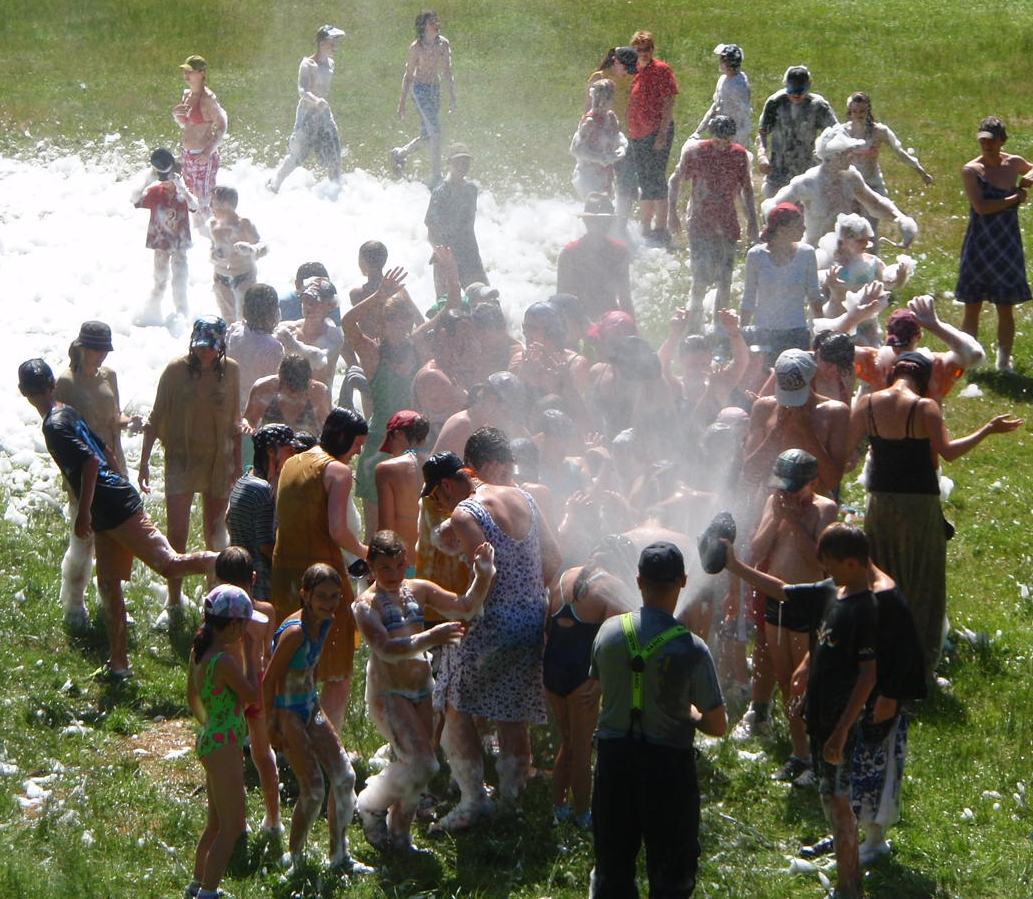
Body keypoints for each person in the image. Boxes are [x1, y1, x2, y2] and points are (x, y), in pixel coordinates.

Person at [18, 359, 216, 678]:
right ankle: (119, 663)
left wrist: (84, 513)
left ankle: (228, 564)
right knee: (109, 585)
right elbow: (105, 451)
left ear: (23, 391)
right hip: (108, 506)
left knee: (168, 564)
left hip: (113, 506)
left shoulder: (54, 426)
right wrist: (118, 483)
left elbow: (90, 464)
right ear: (53, 384)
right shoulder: (67, 411)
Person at [722, 524, 877, 899]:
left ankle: (849, 888)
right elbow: (783, 591)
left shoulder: (865, 611)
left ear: (852, 563)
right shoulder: (830, 591)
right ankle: (847, 878)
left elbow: (868, 676)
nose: (824, 569)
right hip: (821, 718)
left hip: (841, 722)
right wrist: (736, 566)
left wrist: (842, 731)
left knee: (839, 803)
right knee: (831, 799)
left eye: (830, 563)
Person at [847, 352, 1023, 683]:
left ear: (893, 373)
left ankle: (879, 664)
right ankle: (919, 671)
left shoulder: (867, 404)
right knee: (923, 583)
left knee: (882, 579)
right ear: (925, 379)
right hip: (919, 505)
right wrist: (987, 429)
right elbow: (949, 452)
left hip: (880, 504)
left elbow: (847, 452)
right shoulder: (925, 408)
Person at [434, 427, 562, 829]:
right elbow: (554, 557)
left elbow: (485, 575)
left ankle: (473, 799)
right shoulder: (527, 500)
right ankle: (512, 801)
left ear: (473, 467)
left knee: (456, 704)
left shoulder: (467, 512)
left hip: (491, 620)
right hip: (531, 616)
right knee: (513, 712)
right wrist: (530, 596)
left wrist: (465, 611)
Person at [588, 542, 726, 898]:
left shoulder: (608, 632)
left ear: (638, 581)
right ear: (683, 581)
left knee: (612, 868)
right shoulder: (692, 648)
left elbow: (600, 685)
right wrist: (690, 713)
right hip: (668, 768)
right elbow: (717, 725)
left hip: (614, 762)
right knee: (672, 874)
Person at [352, 530, 495, 852]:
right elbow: (386, 648)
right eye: (384, 568)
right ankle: (370, 804)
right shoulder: (365, 605)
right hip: (389, 693)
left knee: (417, 765)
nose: (393, 575)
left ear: (406, 562)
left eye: (398, 566)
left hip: (421, 688)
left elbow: (465, 607)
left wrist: (483, 574)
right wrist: (432, 637)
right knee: (423, 764)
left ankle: (400, 837)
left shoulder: (418, 589)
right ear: (371, 567)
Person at [263, 564, 373, 874]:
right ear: (305, 595)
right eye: (322, 596)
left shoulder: (324, 622)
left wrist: (314, 707)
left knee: (345, 777)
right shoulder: (295, 633)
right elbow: (268, 681)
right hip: (287, 712)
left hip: (309, 706)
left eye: (335, 596)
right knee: (313, 790)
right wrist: (271, 726)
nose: (329, 602)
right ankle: (295, 859)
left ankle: (339, 856)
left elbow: (312, 669)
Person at [270, 408, 369, 730]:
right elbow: (338, 531)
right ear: (343, 438)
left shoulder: (292, 462)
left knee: (294, 660)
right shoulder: (337, 472)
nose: (358, 452)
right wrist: (366, 552)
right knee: (337, 670)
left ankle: (286, 734)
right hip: (323, 576)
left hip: (285, 574)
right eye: (357, 445)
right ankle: (328, 741)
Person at [139, 317, 241, 625]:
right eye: (200, 347)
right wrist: (144, 462)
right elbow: (155, 417)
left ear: (221, 346)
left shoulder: (231, 371)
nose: (204, 352)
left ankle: (215, 598)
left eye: (210, 347)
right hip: (181, 458)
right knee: (177, 532)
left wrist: (238, 465)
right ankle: (174, 599)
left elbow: (235, 421)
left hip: (218, 460)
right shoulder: (175, 371)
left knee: (216, 532)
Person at [745, 450, 836, 784]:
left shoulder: (825, 509)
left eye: (795, 488)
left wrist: (796, 522)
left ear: (813, 482)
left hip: (807, 601)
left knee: (807, 682)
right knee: (785, 681)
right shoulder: (774, 503)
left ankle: (819, 754)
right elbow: (756, 551)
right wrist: (777, 518)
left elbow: (821, 562)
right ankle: (799, 752)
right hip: (776, 601)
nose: (788, 495)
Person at [545, 537, 638, 828]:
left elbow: (545, 628)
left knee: (567, 742)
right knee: (582, 747)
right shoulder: (613, 587)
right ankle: (583, 813)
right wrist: (598, 684)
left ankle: (558, 808)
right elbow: (615, 645)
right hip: (582, 676)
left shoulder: (565, 576)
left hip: (553, 668)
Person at [54, 322, 140, 630]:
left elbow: (114, 416)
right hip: (83, 469)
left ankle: (112, 604)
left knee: (113, 539)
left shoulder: (109, 375)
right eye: (96, 349)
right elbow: (59, 429)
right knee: (84, 539)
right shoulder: (66, 383)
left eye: (105, 350)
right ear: (82, 348)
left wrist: (128, 421)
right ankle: (74, 604)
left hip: (113, 464)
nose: (101, 355)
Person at [184, 584, 263, 899]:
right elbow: (252, 695)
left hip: (211, 739)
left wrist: (211, 723)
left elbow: (193, 697)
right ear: (232, 626)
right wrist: (253, 655)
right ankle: (208, 892)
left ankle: (197, 883)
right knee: (232, 827)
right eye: (244, 625)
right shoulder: (224, 662)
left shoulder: (199, 653)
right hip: (224, 745)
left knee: (215, 823)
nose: (246, 632)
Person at [342, 268, 420, 535]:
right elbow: (347, 323)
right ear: (382, 322)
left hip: (412, 444)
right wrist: (379, 296)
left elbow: (445, 314)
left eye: (403, 317)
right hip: (379, 444)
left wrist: (452, 277)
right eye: (391, 317)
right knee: (376, 534)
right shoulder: (373, 354)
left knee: (408, 531)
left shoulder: (418, 348)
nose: (398, 323)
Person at [212, 548, 281, 838]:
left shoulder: (216, 613)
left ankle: (243, 821)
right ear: (253, 577)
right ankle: (272, 819)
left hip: (230, 689)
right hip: (255, 684)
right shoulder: (266, 612)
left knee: (236, 756)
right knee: (261, 753)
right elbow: (268, 653)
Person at [955, 116, 1033, 371]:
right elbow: (982, 207)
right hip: (980, 243)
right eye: (982, 141)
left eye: (991, 141)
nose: (986, 145)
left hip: (1006, 243)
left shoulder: (1013, 163)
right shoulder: (971, 170)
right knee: (972, 306)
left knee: (1005, 306)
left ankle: (1003, 362)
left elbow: (1031, 169)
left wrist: (1027, 180)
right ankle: (968, 361)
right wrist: (1015, 198)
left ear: (1002, 141)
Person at [668, 115, 758, 329]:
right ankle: (694, 325)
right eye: (718, 141)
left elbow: (747, 189)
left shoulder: (739, 155)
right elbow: (675, 180)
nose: (722, 146)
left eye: (727, 141)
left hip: (727, 224)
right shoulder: (696, 152)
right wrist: (672, 213)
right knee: (700, 277)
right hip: (700, 223)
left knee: (725, 279)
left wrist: (752, 220)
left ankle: (720, 328)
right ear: (711, 136)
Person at [763, 127, 918, 249]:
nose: (853, 156)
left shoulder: (851, 177)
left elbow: (874, 203)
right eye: (847, 153)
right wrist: (777, 235)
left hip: (846, 254)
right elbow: (771, 205)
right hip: (815, 254)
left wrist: (900, 219)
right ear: (834, 156)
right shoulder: (809, 183)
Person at [743, 349, 849, 504]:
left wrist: (806, 431)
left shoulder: (835, 412)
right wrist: (776, 432)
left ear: (812, 378)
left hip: (813, 507)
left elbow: (832, 480)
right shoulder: (764, 408)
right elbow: (749, 472)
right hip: (770, 504)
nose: (790, 403)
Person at [852, 297, 986, 404]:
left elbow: (975, 355)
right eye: (894, 344)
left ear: (919, 336)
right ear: (887, 335)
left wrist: (937, 326)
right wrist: (851, 317)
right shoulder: (875, 361)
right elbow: (838, 349)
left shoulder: (935, 366)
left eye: (904, 345)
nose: (899, 350)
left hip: (922, 428)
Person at [226, 424, 299, 606]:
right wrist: (291, 570)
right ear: (271, 452)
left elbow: (228, 519)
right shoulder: (262, 489)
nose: (294, 456)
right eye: (289, 450)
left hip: (240, 570)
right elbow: (265, 545)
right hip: (260, 579)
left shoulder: (244, 479)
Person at [268, 25, 346, 192]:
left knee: (334, 156)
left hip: (324, 114)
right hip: (307, 114)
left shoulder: (331, 64)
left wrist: (321, 104)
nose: (335, 47)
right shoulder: (307, 64)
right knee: (297, 156)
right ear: (322, 43)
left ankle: (336, 193)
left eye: (336, 43)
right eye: (332, 43)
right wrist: (316, 100)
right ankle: (274, 184)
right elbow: (302, 90)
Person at [740, 203, 822, 362]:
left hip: (797, 333)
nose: (804, 228)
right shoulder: (756, 255)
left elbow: (814, 296)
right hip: (764, 333)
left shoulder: (807, 253)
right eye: (798, 225)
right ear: (781, 229)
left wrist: (821, 335)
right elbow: (748, 297)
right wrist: (741, 336)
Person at [132, 147, 197, 329]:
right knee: (160, 280)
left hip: (180, 244)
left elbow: (195, 206)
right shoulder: (155, 192)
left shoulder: (184, 194)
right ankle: (151, 313)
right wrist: (147, 181)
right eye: (164, 179)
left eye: (171, 178)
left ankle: (182, 314)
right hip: (160, 243)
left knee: (180, 280)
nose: (167, 182)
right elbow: (134, 199)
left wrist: (182, 188)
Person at [626, 31, 679, 243]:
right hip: (637, 132)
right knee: (644, 178)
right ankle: (645, 226)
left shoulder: (661, 70)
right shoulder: (633, 71)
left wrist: (662, 133)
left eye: (646, 49)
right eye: (638, 50)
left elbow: (669, 101)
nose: (643, 53)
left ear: (652, 49)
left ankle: (660, 227)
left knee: (656, 177)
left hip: (657, 131)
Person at [392, 10, 456, 184]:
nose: (436, 24)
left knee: (428, 135)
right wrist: (402, 103)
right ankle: (437, 176)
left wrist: (452, 96)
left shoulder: (443, 44)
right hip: (419, 90)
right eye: (432, 22)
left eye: (437, 21)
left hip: (434, 90)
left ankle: (400, 154)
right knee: (435, 132)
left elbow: (447, 72)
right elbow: (408, 76)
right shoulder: (416, 48)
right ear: (424, 27)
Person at [756, 65, 837, 199]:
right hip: (778, 173)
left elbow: (835, 133)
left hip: (806, 172)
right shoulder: (775, 103)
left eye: (800, 92)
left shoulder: (818, 106)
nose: (796, 96)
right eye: (792, 91)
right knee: (774, 208)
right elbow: (762, 132)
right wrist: (762, 155)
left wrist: (825, 155)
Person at [834, 91, 933, 198]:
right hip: (850, 184)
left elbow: (899, 152)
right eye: (854, 111)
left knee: (884, 208)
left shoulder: (879, 131)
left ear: (868, 111)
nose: (858, 115)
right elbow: (829, 155)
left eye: (862, 111)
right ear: (850, 112)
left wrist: (921, 172)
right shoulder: (843, 132)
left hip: (873, 183)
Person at [556, 194, 633, 319]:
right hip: (577, 320)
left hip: (610, 321)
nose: (601, 225)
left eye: (605, 220)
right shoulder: (569, 254)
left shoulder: (620, 253)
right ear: (585, 221)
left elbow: (625, 298)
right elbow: (561, 299)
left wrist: (630, 327)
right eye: (594, 220)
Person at [173, 55, 227, 231]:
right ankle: (196, 234)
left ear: (202, 73)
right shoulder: (187, 95)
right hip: (188, 155)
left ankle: (215, 236)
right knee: (188, 199)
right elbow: (186, 125)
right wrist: (176, 116)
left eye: (190, 72)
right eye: (185, 71)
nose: (186, 75)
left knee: (203, 203)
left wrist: (208, 151)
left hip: (203, 157)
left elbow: (222, 126)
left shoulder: (208, 99)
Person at [587, 46, 639, 227]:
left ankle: (621, 221)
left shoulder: (630, 78)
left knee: (626, 178)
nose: (628, 73)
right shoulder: (599, 78)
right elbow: (588, 107)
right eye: (626, 68)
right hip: (601, 136)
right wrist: (588, 134)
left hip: (623, 136)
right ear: (616, 62)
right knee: (601, 178)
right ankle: (597, 218)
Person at [425, 143, 488, 290]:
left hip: (470, 255)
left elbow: (468, 225)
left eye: (466, 162)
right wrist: (440, 253)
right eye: (458, 161)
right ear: (449, 163)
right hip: (446, 256)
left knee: (484, 296)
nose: (462, 165)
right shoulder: (440, 193)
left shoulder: (471, 190)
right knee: (447, 302)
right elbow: (431, 227)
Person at [374, 411, 431, 565]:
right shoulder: (439, 465)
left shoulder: (386, 470)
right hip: (433, 563)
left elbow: (386, 526)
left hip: (402, 564)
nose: (391, 451)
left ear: (398, 434)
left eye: (390, 442)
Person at [208, 185, 266, 324]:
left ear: (226, 205)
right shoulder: (213, 225)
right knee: (229, 321)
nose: (210, 206)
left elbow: (263, 246)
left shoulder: (243, 224)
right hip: (221, 278)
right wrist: (214, 255)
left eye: (213, 202)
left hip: (244, 277)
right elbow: (212, 249)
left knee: (246, 320)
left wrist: (251, 249)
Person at [275, 275, 345, 389]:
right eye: (305, 299)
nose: (308, 305)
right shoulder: (287, 328)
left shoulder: (334, 336)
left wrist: (293, 344)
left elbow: (320, 360)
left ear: (331, 305)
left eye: (314, 301)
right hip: (286, 396)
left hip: (317, 397)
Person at [226, 283, 284, 415]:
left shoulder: (233, 331)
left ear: (245, 310)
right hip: (258, 410)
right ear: (273, 313)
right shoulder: (274, 347)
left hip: (232, 405)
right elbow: (275, 386)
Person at [242, 354, 330, 436]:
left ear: (309, 381)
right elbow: (249, 419)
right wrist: (246, 426)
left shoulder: (319, 393)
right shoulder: (263, 389)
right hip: (271, 444)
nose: (294, 395)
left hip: (307, 445)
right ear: (280, 379)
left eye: (299, 390)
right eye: (290, 390)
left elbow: (328, 429)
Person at [571, 78, 628, 200]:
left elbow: (619, 138)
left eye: (606, 99)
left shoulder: (611, 118)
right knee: (597, 205)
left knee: (607, 206)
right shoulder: (589, 122)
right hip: (587, 176)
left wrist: (621, 149)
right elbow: (576, 149)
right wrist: (599, 158)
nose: (599, 103)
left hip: (606, 174)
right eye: (597, 99)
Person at [691, 43, 751, 148]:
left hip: (734, 136)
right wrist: (699, 131)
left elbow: (742, 115)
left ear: (728, 64)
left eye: (722, 61)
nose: (720, 63)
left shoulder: (738, 86)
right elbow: (716, 106)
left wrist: (733, 140)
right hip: (721, 131)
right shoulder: (723, 79)